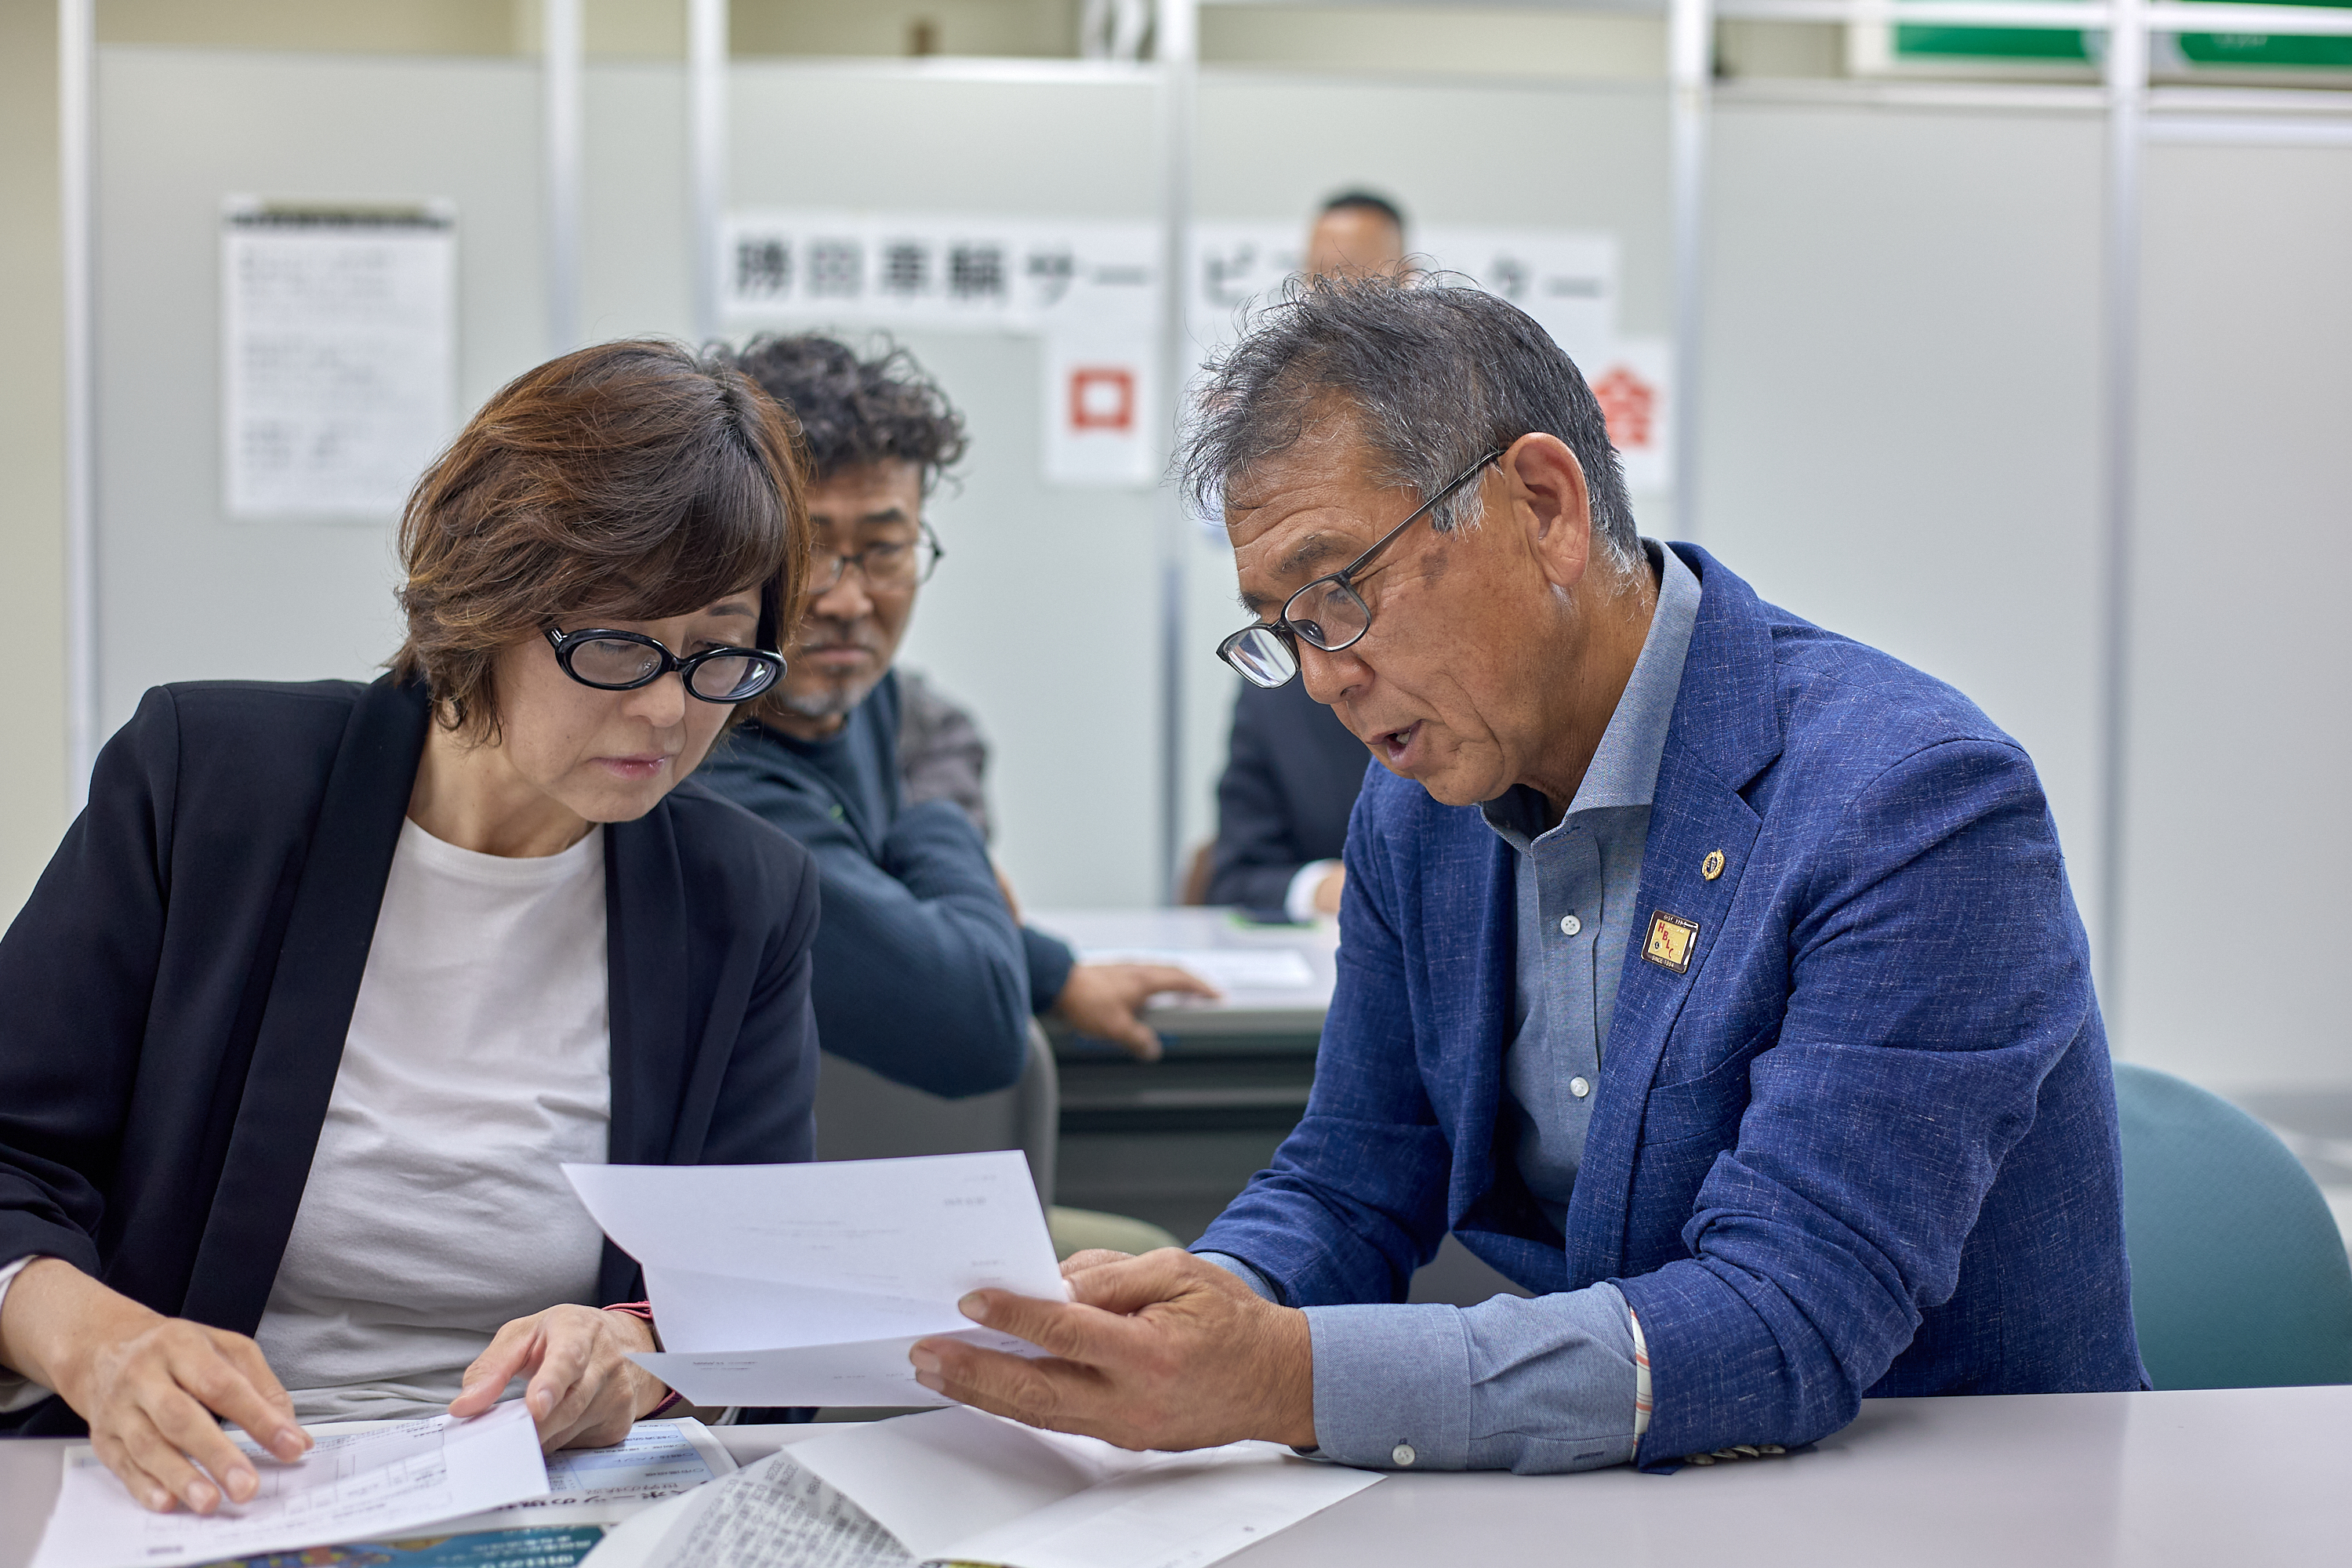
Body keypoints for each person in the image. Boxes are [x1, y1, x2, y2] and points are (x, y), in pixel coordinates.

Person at [905, 277, 2143, 1470]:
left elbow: (1786, 1321)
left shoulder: (1910, 803)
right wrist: (1205, 1307)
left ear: (1545, 507)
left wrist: (1282, 1375)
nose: (1324, 674)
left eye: (1338, 593)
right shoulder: (1419, 802)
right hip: (1642, 1478)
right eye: (1282, 627)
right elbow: (1355, 1171)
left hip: (1947, 1491)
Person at [0, 341, 822, 1511]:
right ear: (486, 593)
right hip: (207, 1484)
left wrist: (630, 1357)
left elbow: (753, 1281)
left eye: (715, 652)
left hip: (552, 1495)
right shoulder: (213, 787)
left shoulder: (742, 895)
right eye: (615, 641)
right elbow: (9, 1149)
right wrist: (98, 1344)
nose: (663, 707)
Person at [699, 334, 1212, 1089]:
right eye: (805, 553)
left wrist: (1052, 973)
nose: (847, 601)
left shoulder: (858, 702)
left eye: (885, 549)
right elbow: (972, 1032)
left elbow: (884, 896)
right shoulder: (708, 768)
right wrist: (937, 824)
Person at [1202, 190, 1416, 918]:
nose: (1333, 307)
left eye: (1355, 278)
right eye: (1316, 282)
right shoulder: (1289, 660)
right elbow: (1236, 869)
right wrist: (1332, 889)